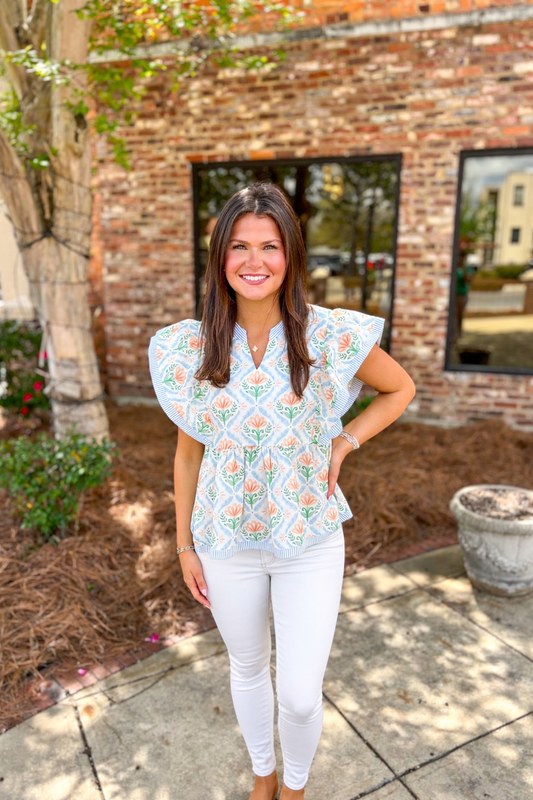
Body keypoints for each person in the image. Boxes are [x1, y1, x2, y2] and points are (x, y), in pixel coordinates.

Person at [148, 183, 415, 800]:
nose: (254, 260)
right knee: (246, 668)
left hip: (310, 539)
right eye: (239, 245)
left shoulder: (327, 335)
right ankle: (263, 779)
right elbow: (188, 454)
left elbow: (399, 389)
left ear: (290, 255)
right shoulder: (193, 346)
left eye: (269, 246)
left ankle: (294, 787)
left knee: (297, 693)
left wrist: (345, 442)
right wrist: (184, 544)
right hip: (224, 538)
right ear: (220, 258)